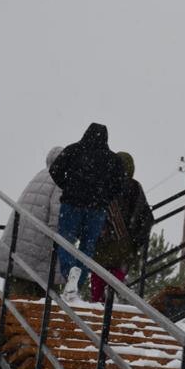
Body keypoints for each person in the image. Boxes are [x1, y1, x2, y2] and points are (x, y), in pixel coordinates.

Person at [49, 123, 125, 300]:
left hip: (71, 204)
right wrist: (104, 197)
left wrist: (68, 187)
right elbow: (119, 185)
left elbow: (55, 170)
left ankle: (69, 275)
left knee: (65, 239)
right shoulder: (113, 160)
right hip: (97, 209)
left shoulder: (73, 150)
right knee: (87, 247)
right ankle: (77, 281)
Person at [0, 147, 65, 298]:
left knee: (13, 303)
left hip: (18, 244)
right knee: (39, 303)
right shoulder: (60, 178)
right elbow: (57, 215)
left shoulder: (41, 175)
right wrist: (60, 241)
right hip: (37, 248)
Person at [91, 152, 154, 302]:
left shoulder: (103, 185)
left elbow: (93, 211)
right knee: (119, 268)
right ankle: (112, 289)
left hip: (103, 239)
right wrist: (137, 240)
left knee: (97, 272)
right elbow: (147, 217)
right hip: (125, 241)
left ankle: (96, 301)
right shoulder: (135, 187)